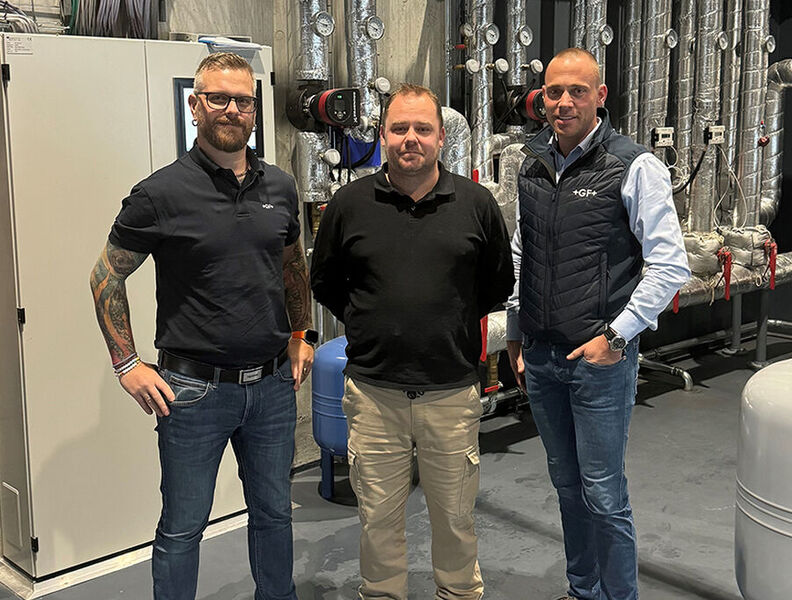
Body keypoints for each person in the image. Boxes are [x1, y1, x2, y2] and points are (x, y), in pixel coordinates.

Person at [89, 52, 315, 600]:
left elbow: (292, 265)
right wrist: (126, 364)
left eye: (243, 100)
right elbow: (105, 277)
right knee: (182, 528)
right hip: (192, 394)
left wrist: (301, 334)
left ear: (254, 110)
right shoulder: (160, 194)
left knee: (274, 513)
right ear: (195, 106)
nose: (232, 109)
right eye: (218, 98)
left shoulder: (280, 187)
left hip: (271, 388)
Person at [310, 83, 514, 600]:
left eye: (423, 128)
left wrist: (443, 322)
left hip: (451, 392)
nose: (411, 139)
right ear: (382, 136)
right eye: (399, 128)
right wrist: (373, 322)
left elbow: (497, 284)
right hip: (374, 395)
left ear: (441, 137)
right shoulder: (349, 204)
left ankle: (458, 594)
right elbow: (325, 282)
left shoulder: (476, 204)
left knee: (456, 519)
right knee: (378, 521)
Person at [505, 48, 691, 600]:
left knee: (604, 494)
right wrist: (515, 330)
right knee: (567, 487)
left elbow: (670, 264)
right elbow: (521, 253)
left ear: (600, 96)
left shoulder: (634, 166)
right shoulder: (531, 163)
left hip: (599, 362)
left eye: (577, 91)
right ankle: (582, 590)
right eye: (554, 92)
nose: (563, 102)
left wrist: (616, 335)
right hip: (541, 356)